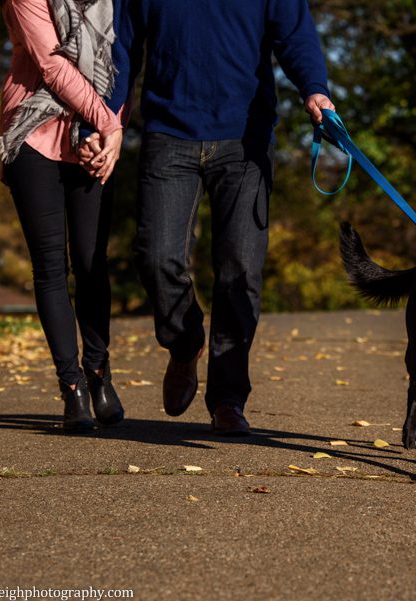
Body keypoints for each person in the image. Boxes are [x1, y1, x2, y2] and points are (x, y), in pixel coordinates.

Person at [80, 0, 334, 435]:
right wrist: (100, 121)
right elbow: (121, 50)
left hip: (246, 138)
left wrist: (314, 87)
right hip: (168, 133)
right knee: (156, 255)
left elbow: (295, 34)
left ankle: (228, 399)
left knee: (241, 271)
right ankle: (184, 343)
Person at [0, 0, 126, 431]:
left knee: (92, 262)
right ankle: (72, 388)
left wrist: (107, 132)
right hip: (34, 132)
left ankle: (99, 372)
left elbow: (121, 58)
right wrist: (108, 123)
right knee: (51, 267)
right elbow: (52, 65)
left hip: (92, 138)